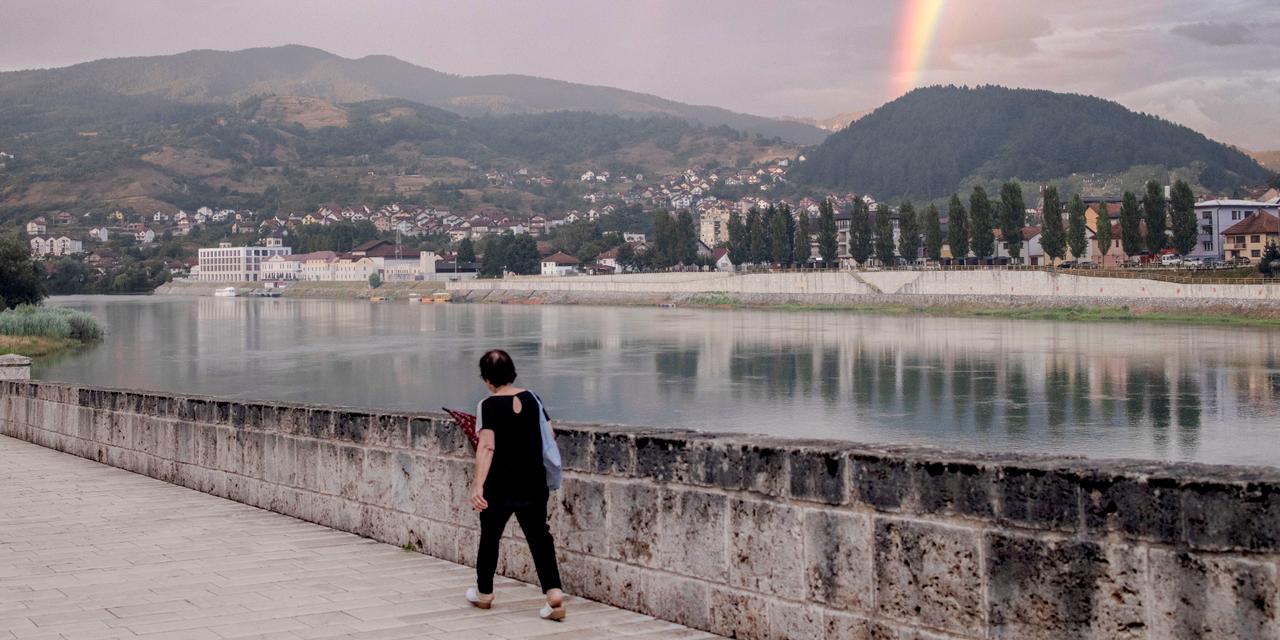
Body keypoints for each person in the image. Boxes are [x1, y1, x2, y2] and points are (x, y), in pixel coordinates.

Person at [465, 349, 566, 621]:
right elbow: (549, 435)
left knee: (490, 537)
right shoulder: (533, 399)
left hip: (499, 485)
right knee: (540, 537)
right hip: (533, 482)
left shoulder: (487, 405)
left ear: (487, 379)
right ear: (512, 373)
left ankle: (484, 594)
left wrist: (477, 486)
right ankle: (553, 594)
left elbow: (487, 447)